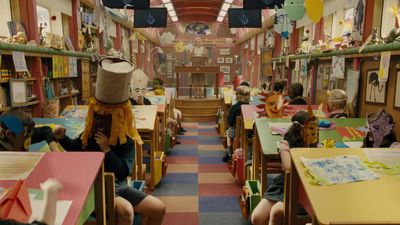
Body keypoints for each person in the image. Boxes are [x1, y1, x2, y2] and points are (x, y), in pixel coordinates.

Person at [55, 57, 166, 225]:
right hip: (93, 187)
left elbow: (123, 172)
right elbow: (76, 147)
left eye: (107, 119)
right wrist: (62, 138)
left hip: (117, 186)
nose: (100, 122)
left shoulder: (126, 140)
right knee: (126, 211)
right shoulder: (91, 134)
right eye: (98, 117)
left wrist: (107, 149)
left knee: (159, 208)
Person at [251, 110, 316, 225]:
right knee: (257, 217)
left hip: (302, 189)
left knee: (276, 212)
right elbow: (288, 167)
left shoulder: (315, 145)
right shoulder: (286, 143)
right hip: (283, 185)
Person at [222, 85, 250, 162]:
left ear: (238, 95)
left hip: (236, 132)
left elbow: (230, 122)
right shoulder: (251, 106)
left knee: (229, 131)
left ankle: (229, 153)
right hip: (249, 132)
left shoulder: (235, 107)